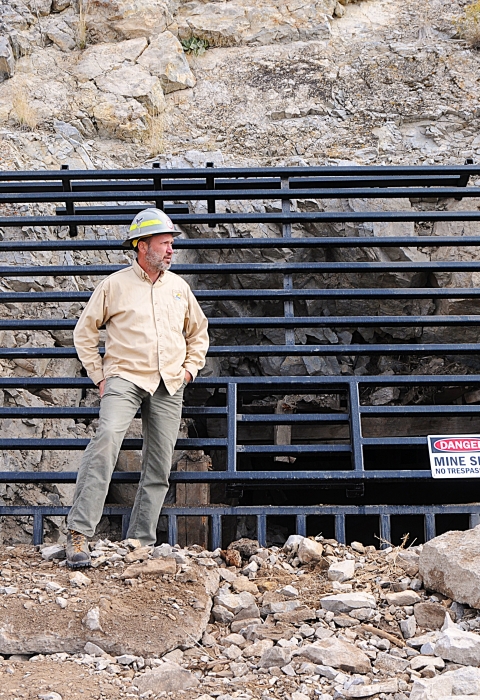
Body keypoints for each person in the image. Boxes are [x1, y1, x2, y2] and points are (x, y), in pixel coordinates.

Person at [65, 208, 209, 569]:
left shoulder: (179, 288)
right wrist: (100, 376)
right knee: (106, 443)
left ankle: (139, 541)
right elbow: (84, 333)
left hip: (169, 384)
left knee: (159, 465)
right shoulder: (114, 285)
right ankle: (80, 534)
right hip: (124, 379)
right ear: (142, 247)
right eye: (164, 243)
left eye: (172, 243)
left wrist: (189, 371)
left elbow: (198, 334)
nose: (171, 250)